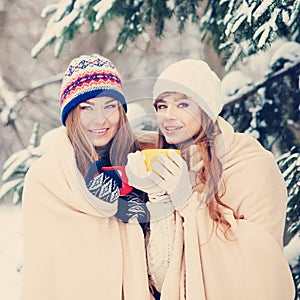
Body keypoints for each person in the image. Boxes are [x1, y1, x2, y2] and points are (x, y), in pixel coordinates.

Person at [125, 59, 296, 299]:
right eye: (162, 106)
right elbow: (163, 276)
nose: (168, 116)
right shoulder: (163, 162)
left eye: (182, 104)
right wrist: (158, 196)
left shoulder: (251, 165)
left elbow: (260, 266)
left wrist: (187, 202)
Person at [21, 54, 152, 300]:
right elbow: (43, 275)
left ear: (121, 111)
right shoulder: (46, 179)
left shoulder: (142, 162)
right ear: (71, 114)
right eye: (86, 108)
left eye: (109, 106)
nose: (99, 119)